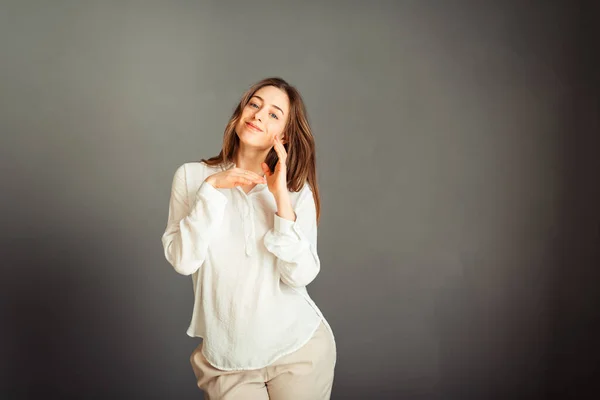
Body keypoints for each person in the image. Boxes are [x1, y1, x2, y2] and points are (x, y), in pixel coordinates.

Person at [161, 77, 336, 399]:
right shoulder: (192, 177)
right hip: (227, 361)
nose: (258, 115)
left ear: (283, 134)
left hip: (297, 350)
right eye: (254, 104)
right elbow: (184, 261)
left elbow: (301, 275)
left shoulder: (296, 192)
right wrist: (211, 190)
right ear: (241, 112)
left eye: (273, 113)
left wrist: (280, 197)